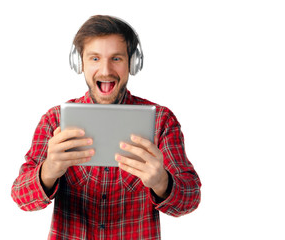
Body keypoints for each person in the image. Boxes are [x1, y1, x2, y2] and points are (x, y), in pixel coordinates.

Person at [11, 15, 201, 239]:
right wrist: (49, 170)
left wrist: (161, 181)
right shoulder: (55, 120)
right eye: (94, 58)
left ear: (133, 63)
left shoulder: (161, 122)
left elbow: (190, 199)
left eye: (116, 58)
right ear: (79, 62)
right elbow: (21, 198)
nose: (105, 70)